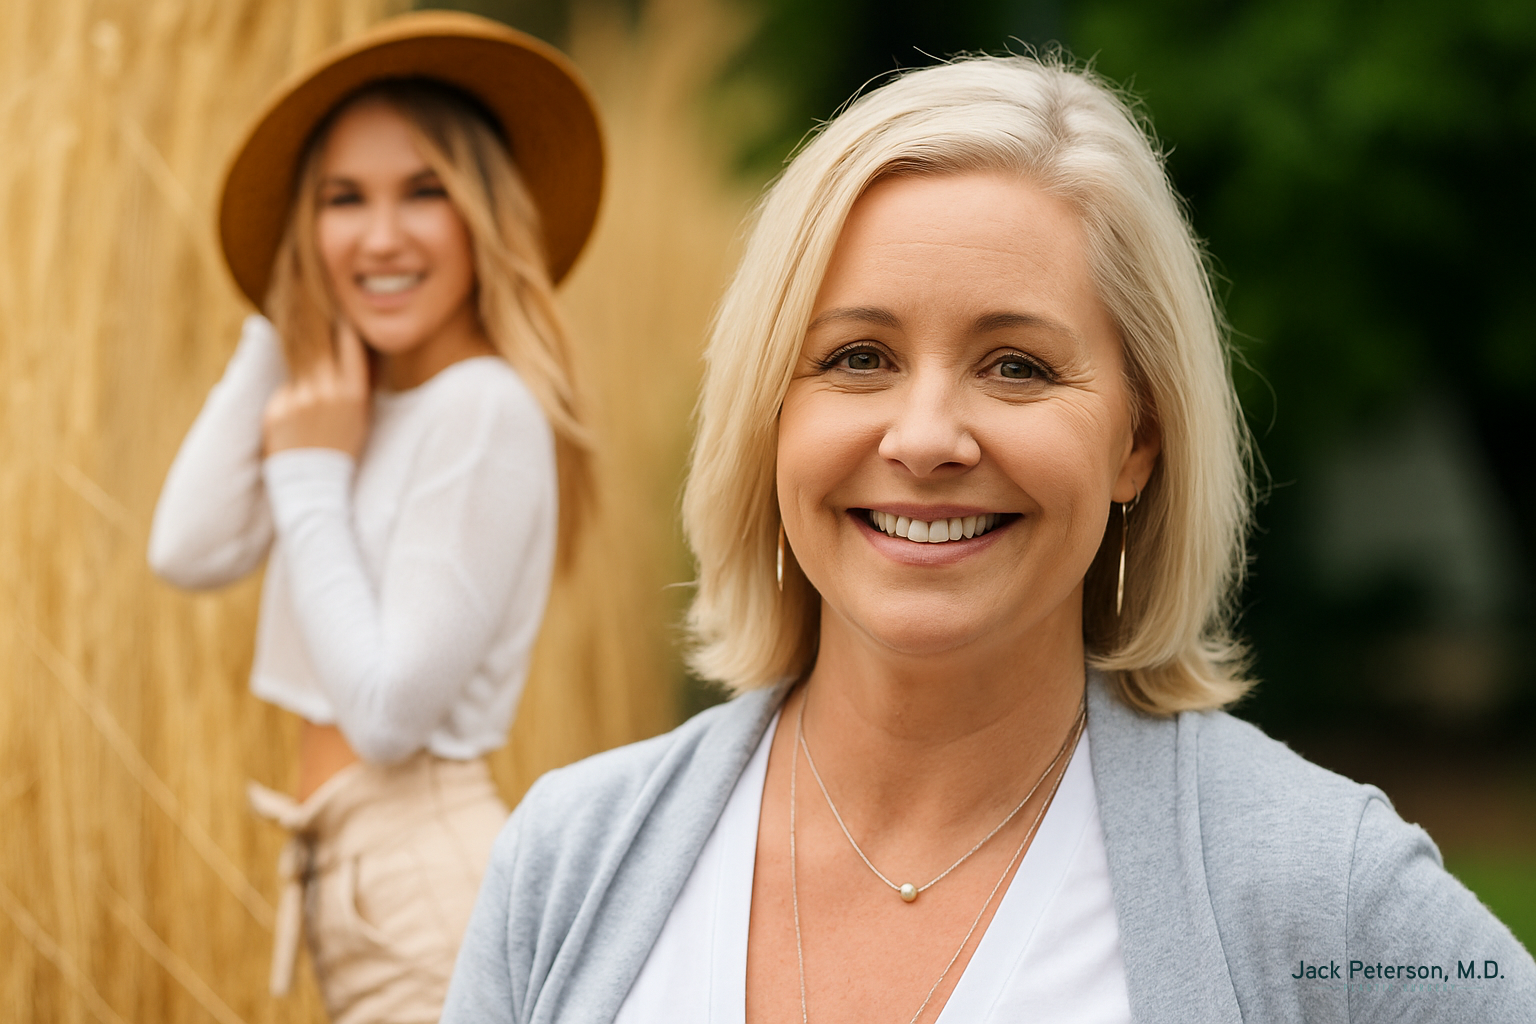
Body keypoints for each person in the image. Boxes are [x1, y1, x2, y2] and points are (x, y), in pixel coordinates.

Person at [441, 52, 1536, 1024]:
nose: (924, 438)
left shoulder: (1319, 885)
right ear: (768, 416)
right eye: (857, 357)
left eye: (1017, 365)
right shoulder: (570, 860)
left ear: (1136, 441)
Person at [147, 12, 602, 1022]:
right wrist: (284, 313)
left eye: (424, 191)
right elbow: (185, 548)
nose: (382, 235)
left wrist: (310, 478)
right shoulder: (365, 407)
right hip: (350, 870)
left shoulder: (481, 408)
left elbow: (390, 713)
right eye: (341, 200)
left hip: (420, 875)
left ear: (483, 215)